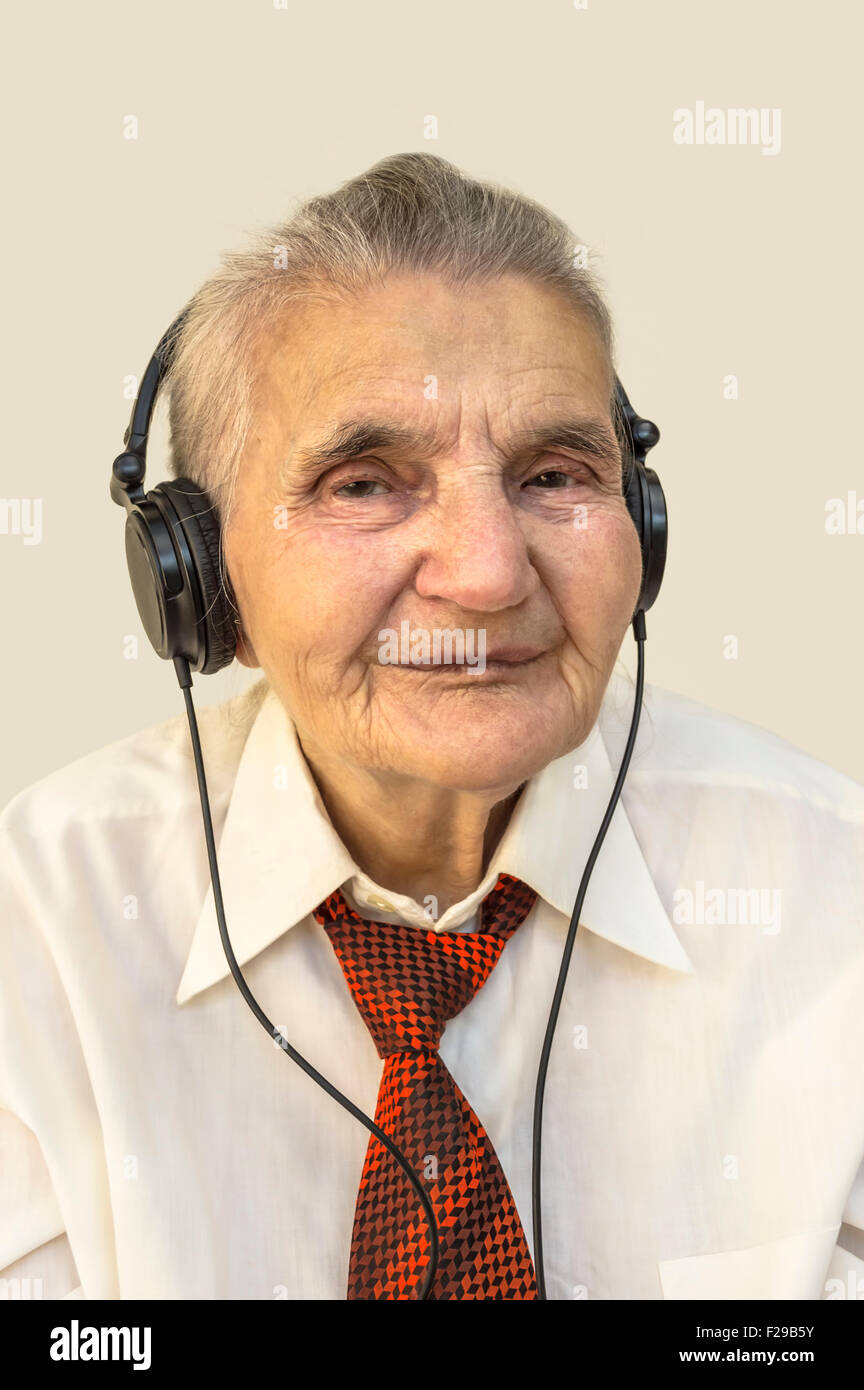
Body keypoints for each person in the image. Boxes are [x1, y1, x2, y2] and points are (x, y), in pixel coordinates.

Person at [1, 153, 862, 1301]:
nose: (490, 574)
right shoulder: (34, 938)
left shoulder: (836, 897)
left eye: (555, 474)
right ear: (203, 580)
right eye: (365, 484)